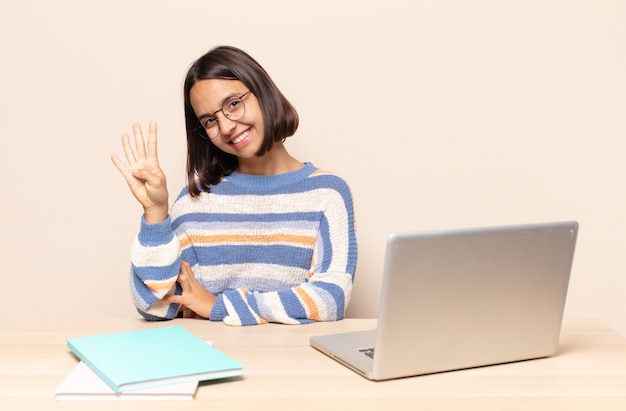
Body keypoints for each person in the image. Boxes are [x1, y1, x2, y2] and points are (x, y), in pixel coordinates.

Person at [111, 46, 358, 326]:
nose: (227, 127)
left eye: (232, 104)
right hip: (210, 361)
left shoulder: (328, 193)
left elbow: (331, 299)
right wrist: (155, 215)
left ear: (263, 91)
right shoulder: (194, 203)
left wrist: (218, 305)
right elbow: (155, 306)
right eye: (210, 121)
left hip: (292, 364)